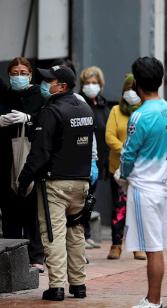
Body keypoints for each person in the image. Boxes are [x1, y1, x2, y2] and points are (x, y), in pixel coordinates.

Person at [17, 65, 94, 301]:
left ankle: (57, 286)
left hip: (55, 184)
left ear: (61, 86)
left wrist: (24, 179)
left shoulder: (52, 111)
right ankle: (78, 284)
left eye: (49, 80)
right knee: (76, 235)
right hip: (81, 183)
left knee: (54, 235)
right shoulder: (84, 108)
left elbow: (39, 152)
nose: (45, 83)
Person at [119, 57, 167, 308]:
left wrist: (122, 175)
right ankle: (153, 298)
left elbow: (129, 153)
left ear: (137, 85)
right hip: (163, 185)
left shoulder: (140, 116)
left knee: (152, 249)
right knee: (157, 247)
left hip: (145, 186)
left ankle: (153, 301)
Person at [0, 57, 45, 273]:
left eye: (22, 72)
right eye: (14, 72)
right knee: (9, 210)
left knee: (31, 208)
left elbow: (46, 119)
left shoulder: (39, 95)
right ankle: (12, 258)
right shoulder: (5, 95)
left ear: (30, 74)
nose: (18, 76)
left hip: (30, 157)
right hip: (6, 158)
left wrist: (29, 118)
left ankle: (36, 256)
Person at [104, 73, 146, 260]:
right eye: (129, 89)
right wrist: (126, 150)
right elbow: (109, 136)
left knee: (139, 207)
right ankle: (116, 244)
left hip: (141, 169)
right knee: (119, 207)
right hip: (119, 169)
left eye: (135, 89)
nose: (132, 93)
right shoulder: (115, 111)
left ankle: (138, 246)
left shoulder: (146, 111)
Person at [79, 66, 110, 249]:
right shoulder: (79, 103)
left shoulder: (103, 106)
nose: (91, 86)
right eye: (87, 83)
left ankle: (87, 232)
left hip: (97, 160)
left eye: (94, 83)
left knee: (91, 197)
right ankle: (80, 235)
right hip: (82, 158)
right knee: (81, 198)